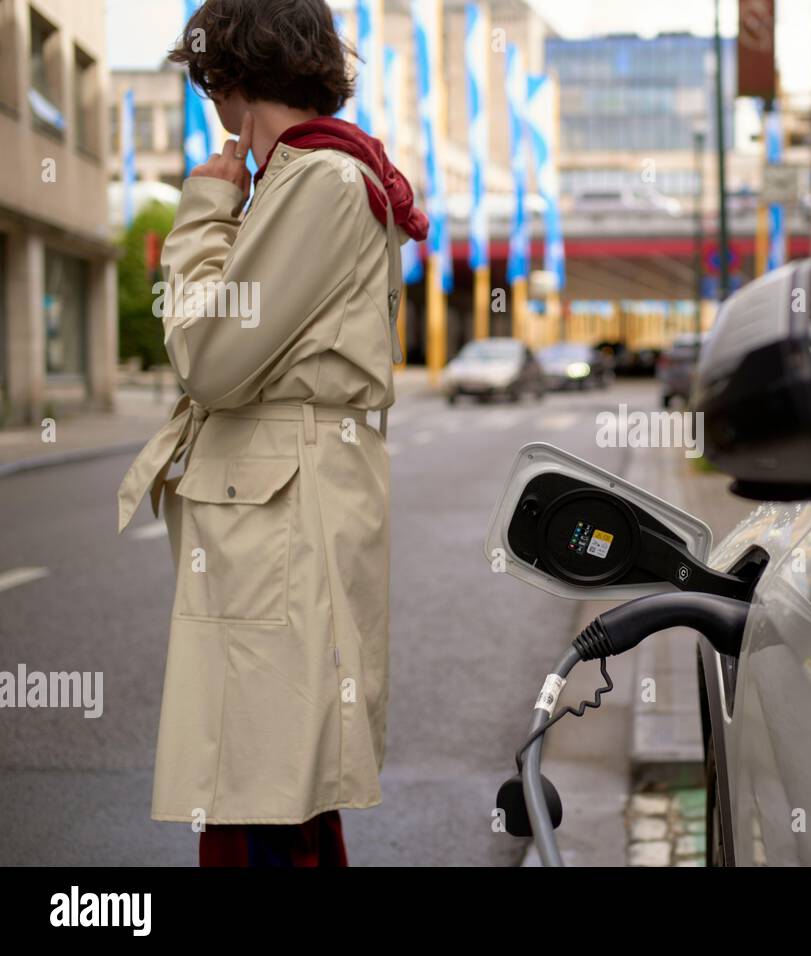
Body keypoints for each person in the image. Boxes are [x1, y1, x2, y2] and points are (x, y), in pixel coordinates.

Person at [115, 0, 428, 867]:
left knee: (265, 781)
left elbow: (210, 356)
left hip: (281, 505)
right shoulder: (314, 175)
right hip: (281, 496)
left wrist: (205, 210)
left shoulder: (313, 183)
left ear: (231, 79)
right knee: (272, 779)